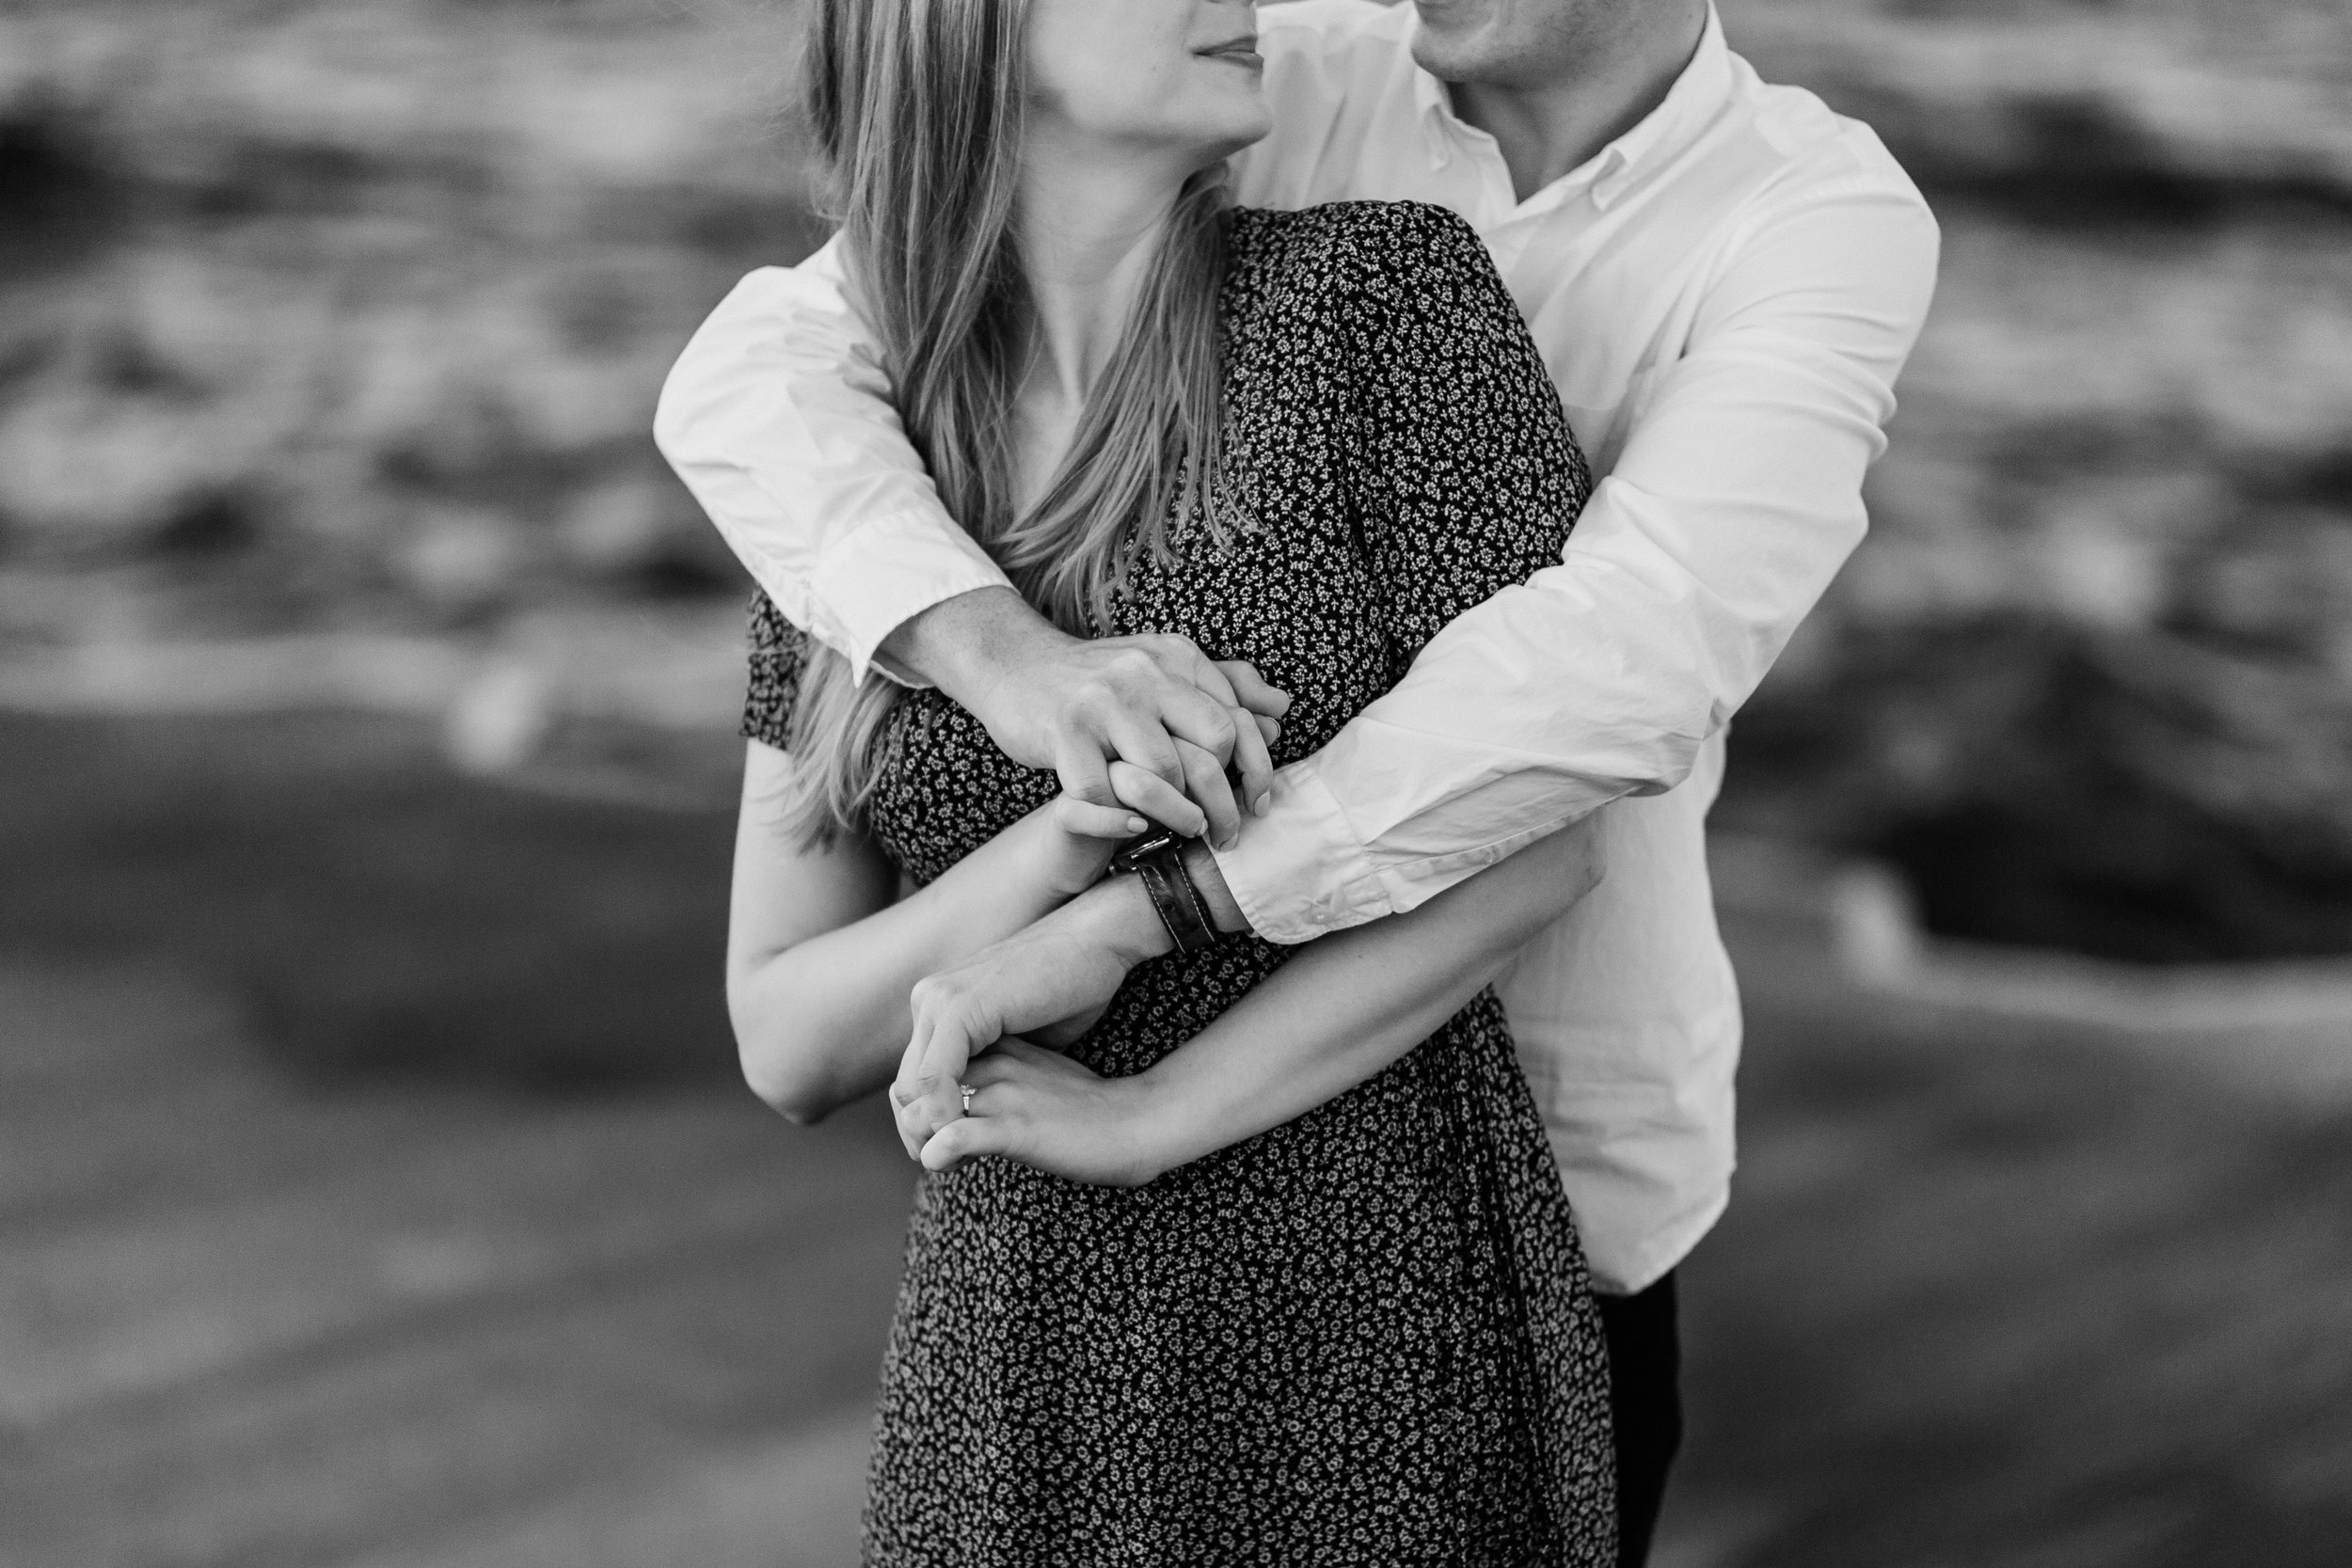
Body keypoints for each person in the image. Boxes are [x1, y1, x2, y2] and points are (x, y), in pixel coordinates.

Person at [659, 1, 1940, 1560]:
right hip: (1024, 1318)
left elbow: (1612, 686)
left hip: (1475, 1219)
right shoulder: (887, 458)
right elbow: (760, 367)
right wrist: (1011, 674)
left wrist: (1147, 921)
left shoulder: (1781, 222)